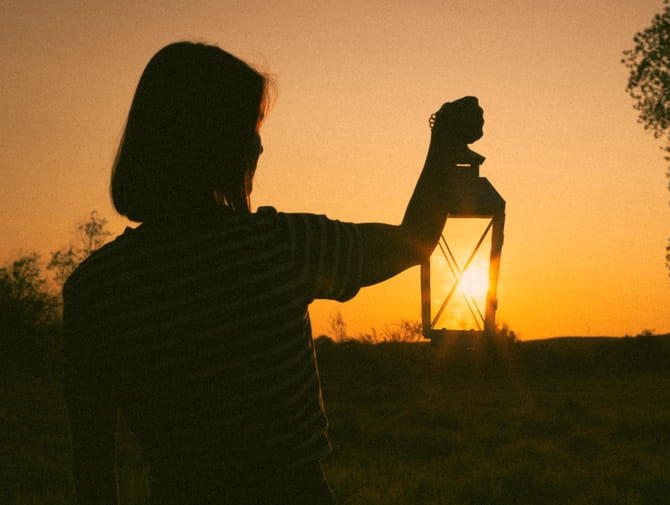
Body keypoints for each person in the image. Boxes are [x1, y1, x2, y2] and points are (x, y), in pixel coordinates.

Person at [63, 41, 483, 505]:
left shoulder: (94, 289)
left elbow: (93, 467)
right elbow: (417, 239)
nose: (260, 143)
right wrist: (443, 140)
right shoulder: (276, 246)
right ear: (217, 142)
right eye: (251, 127)